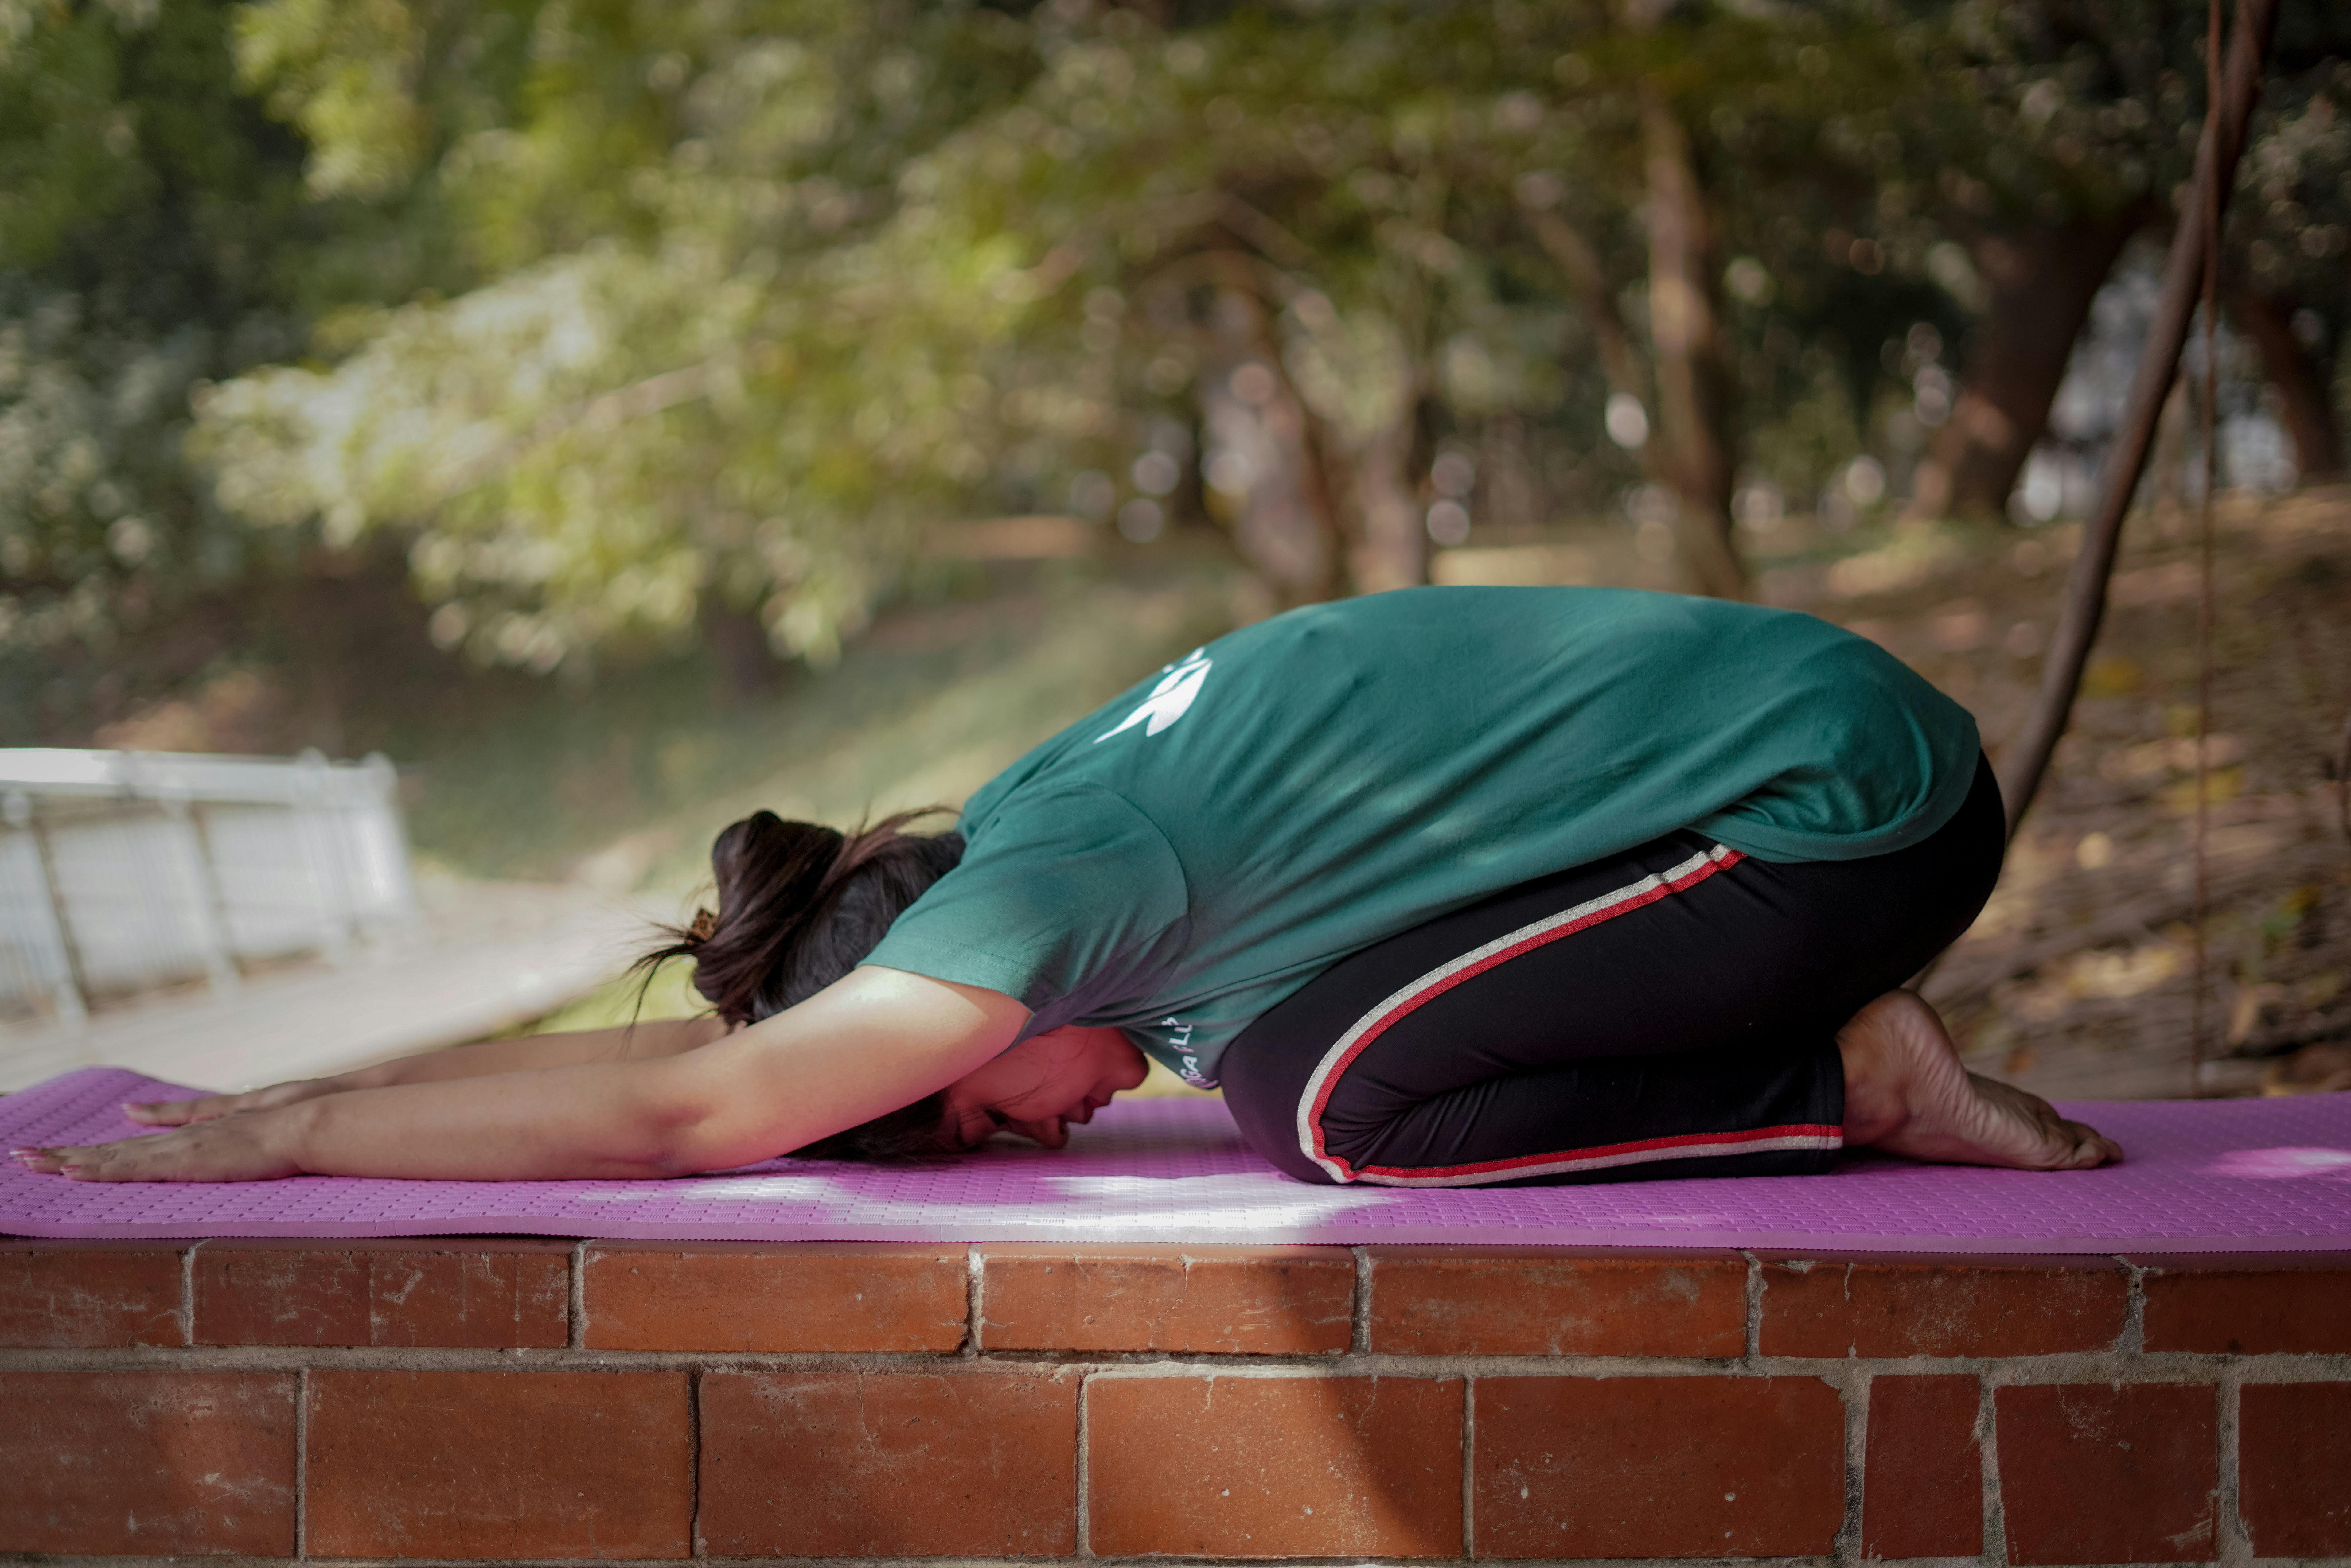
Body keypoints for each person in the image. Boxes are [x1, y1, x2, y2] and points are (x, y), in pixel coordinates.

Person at [12, 586, 2121, 1187]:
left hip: (1833, 808)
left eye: (989, 1110)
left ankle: (1853, 1075)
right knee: (1296, 1050)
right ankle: (1833, 1051)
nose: (1056, 1121)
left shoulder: (1050, 900)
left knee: (1333, 1103)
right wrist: (335, 1091)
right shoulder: (1036, 829)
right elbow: (673, 1057)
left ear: (967, 1005)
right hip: (1823, 762)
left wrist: (295, 1133)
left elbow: (688, 1112)